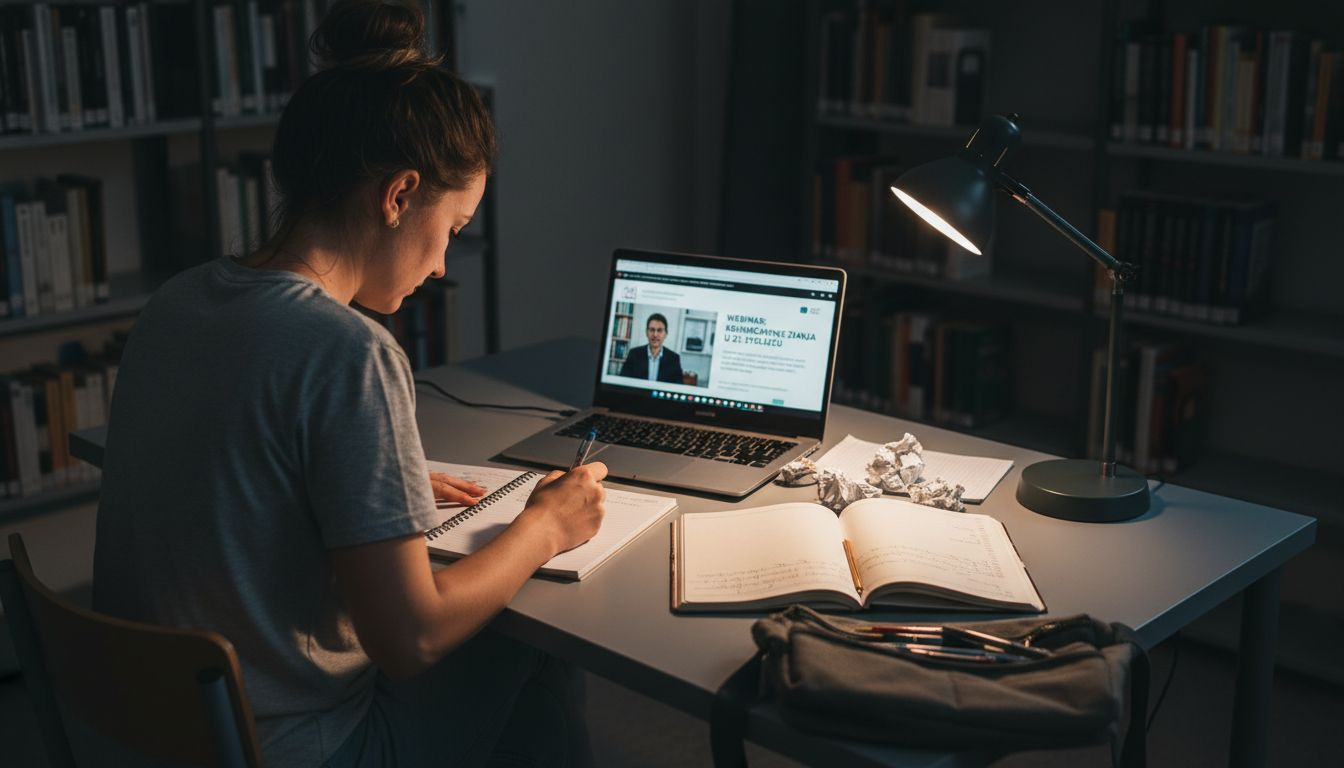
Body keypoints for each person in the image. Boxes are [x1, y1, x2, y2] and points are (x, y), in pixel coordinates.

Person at [91, 1, 604, 765]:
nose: (439, 267)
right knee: (538, 639)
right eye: (452, 230)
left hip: (156, 731)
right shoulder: (346, 351)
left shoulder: (179, 301)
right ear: (398, 197)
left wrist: (361, 484)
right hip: (297, 747)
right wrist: (546, 527)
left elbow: (226, 469)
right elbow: (410, 638)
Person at [618, 312, 684, 383]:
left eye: (659, 330)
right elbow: (623, 382)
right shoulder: (634, 354)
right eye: (652, 330)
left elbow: (677, 386)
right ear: (646, 332)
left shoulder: (674, 359)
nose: (655, 335)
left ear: (665, 334)